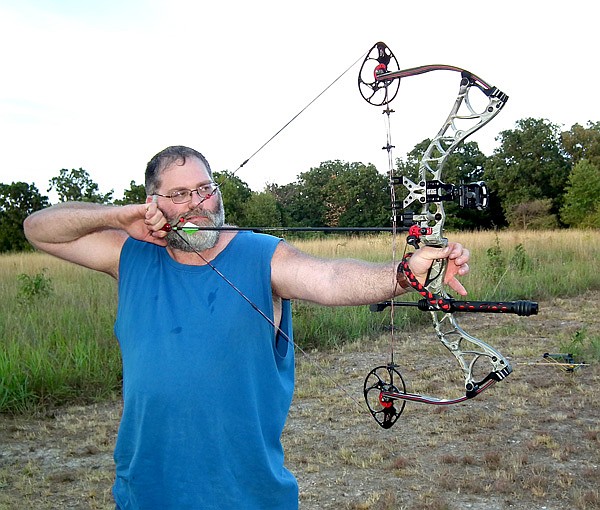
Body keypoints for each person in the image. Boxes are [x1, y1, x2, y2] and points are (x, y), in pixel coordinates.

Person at [23, 145, 470, 510]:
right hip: (146, 492)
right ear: (153, 203)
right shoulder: (130, 255)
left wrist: (404, 273)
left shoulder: (261, 255)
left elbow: (330, 278)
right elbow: (38, 229)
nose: (196, 203)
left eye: (204, 189)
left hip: (246, 497)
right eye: (179, 194)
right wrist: (117, 217)